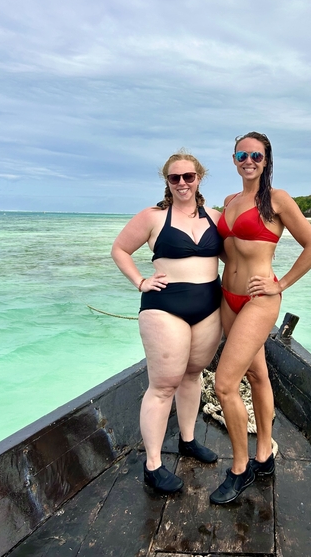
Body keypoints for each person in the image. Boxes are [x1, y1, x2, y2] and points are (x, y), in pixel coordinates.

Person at [209, 132, 311, 504]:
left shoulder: (277, 200)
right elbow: (228, 251)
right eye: (242, 154)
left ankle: (241, 469)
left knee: (225, 384)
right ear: (234, 159)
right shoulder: (229, 201)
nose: (249, 160)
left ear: (266, 159)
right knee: (257, 374)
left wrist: (282, 284)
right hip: (228, 297)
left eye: (256, 155)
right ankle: (264, 456)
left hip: (260, 299)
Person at [111, 150, 223, 494]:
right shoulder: (153, 216)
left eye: (188, 176)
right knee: (162, 386)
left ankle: (188, 440)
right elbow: (119, 249)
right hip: (164, 307)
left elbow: (241, 252)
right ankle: (153, 465)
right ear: (167, 182)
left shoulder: (216, 217)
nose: (182, 183)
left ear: (199, 178)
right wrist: (140, 281)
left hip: (209, 306)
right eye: (175, 178)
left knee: (193, 374)